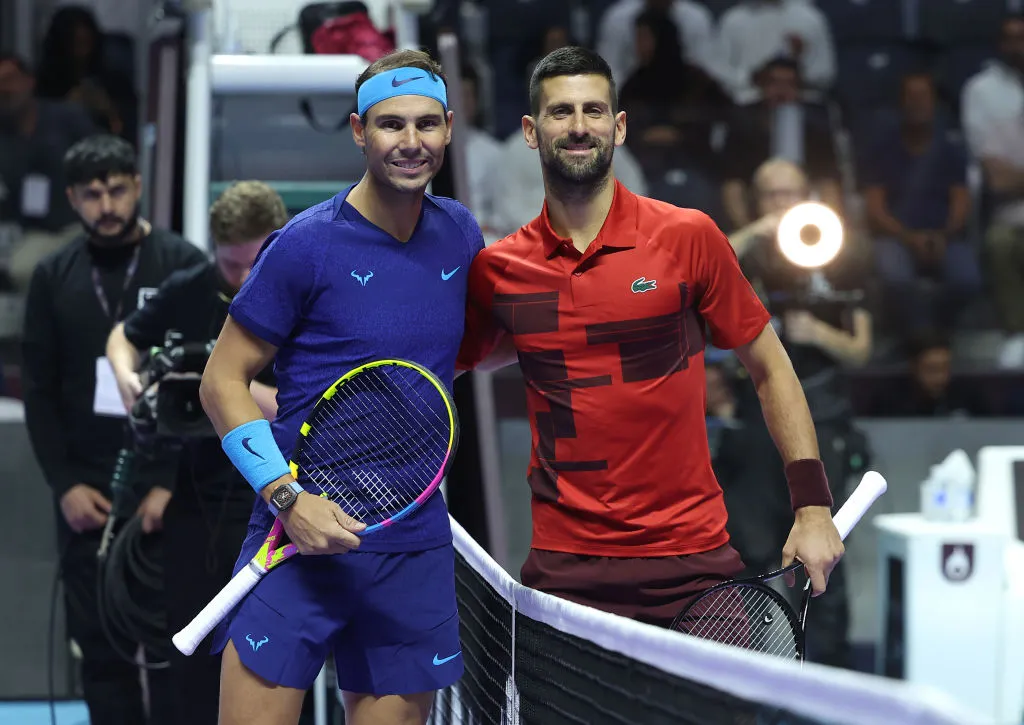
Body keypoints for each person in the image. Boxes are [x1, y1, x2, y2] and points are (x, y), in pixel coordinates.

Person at [456, 46, 844, 631]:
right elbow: (436, 369)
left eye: (594, 111)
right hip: (566, 572)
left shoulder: (689, 237)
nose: (579, 126)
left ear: (620, 127)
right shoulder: (500, 270)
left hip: (694, 563)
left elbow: (770, 368)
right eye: (561, 113)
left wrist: (812, 506)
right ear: (532, 133)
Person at [198, 49, 483, 725]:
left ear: (447, 127)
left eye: (426, 124)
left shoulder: (461, 235)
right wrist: (287, 497)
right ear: (359, 131)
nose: (410, 143)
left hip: (409, 546)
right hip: (296, 537)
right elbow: (221, 382)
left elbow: (447, 353)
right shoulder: (304, 245)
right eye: (390, 125)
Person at [21, 133, 207, 724]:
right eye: (92, 194)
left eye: (117, 190)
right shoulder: (54, 276)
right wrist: (64, 486)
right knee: (100, 651)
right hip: (87, 490)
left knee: (178, 645)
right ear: (73, 199)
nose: (107, 205)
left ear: (138, 188)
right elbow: (39, 391)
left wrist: (169, 485)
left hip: (169, 489)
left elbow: (206, 386)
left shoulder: (181, 264)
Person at [104, 180, 289, 725]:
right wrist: (128, 377)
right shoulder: (189, 288)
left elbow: (310, 407)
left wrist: (227, 387)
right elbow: (123, 338)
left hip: (273, 498)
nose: (237, 279)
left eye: (249, 265)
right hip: (190, 495)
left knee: (268, 651)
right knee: (185, 646)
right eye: (228, 265)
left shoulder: (303, 295)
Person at [728, 157, 872, 668]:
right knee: (752, 551)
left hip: (825, 417)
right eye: (772, 196)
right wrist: (757, 232)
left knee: (824, 555)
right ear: (754, 201)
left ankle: (828, 678)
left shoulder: (836, 249)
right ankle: (758, 677)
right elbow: (704, 262)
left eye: (792, 194)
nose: (783, 206)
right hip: (756, 425)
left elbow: (862, 348)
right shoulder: (742, 254)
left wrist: (818, 333)